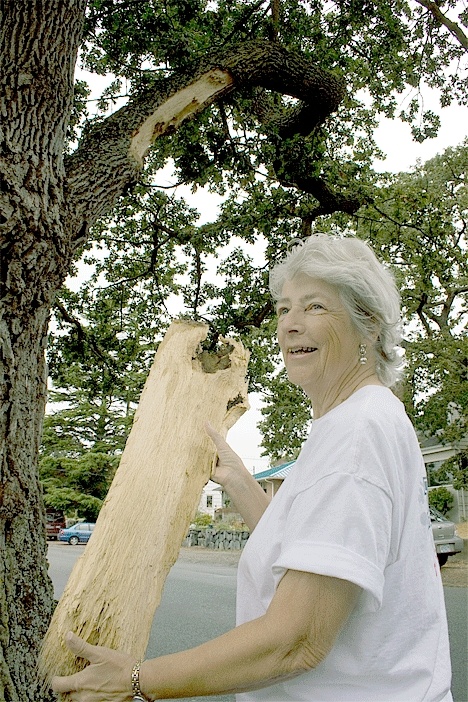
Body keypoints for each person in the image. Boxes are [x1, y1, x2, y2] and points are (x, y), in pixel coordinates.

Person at [52, 234, 453, 702]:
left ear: (366, 322)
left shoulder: (357, 434)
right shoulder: (354, 421)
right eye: (284, 309)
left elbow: (297, 641)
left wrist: (137, 679)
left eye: (315, 306)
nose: (290, 326)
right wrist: (240, 480)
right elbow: (310, 550)